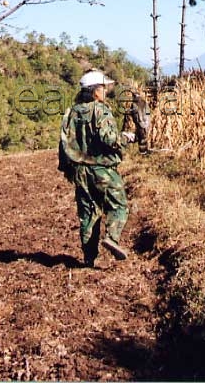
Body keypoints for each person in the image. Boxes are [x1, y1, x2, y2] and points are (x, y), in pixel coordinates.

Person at [58, 70, 135, 267]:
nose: (106, 91)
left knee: (88, 213)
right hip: (102, 169)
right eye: (103, 88)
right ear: (95, 91)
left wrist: (67, 170)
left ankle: (88, 259)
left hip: (79, 171)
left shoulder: (71, 112)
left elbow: (63, 144)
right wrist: (126, 138)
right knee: (119, 205)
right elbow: (108, 139)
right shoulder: (100, 110)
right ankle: (112, 237)